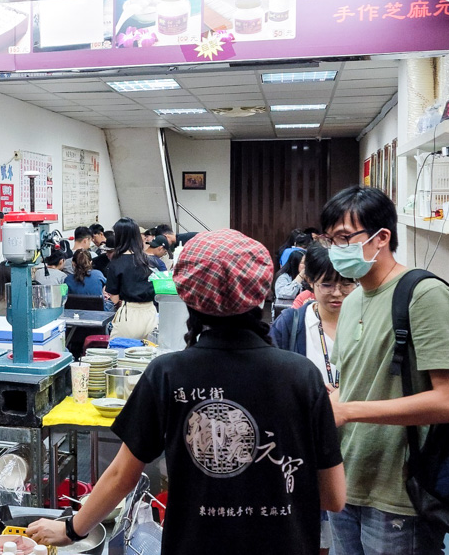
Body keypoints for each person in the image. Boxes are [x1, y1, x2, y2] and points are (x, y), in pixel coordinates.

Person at [27, 230, 345, 554]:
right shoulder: (303, 376)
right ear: (259, 292)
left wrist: (71, 529)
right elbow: (334, 497)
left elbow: (122, 475)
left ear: (190, 296)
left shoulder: (167, 374)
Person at [319, 186, 449, 555]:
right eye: (330, 240)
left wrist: (347, 410)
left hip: (399, 491)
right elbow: (355, 384)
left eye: (344, 238)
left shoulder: (425, 296)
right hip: (348, 480)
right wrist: (324, 405)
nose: (336, 249)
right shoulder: (354, 299)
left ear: (381, 237)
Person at [270, 243, 357, 555]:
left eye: (346, 283)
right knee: (310, 534)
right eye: (327, 284)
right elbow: (271, 382)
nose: (337, 293)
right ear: (310, 282)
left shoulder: (368, 323)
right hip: (305, 449)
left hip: (358, 444)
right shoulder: (290, 325)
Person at [104, 217, 158, 340]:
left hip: (129, 314)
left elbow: (114, 296)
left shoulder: (116, 263)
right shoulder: (147, 260)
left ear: (119, 237)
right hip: (151, 313)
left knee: (121, 354)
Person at [273, 248, 307, 317]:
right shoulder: (283, 277)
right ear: (295, 263)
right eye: (303, 263)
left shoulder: (308, 277)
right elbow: (287, 294)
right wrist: (300, 276)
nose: (306, 266)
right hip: (286, 313)